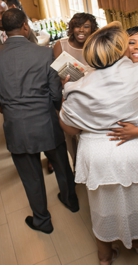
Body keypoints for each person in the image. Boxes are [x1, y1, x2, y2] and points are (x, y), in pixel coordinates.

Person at [58, 22, 138, 264]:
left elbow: (69, 128)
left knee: (103, 207)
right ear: (121, 49)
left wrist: (65, 92)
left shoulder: (77, 87)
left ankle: (105, 257)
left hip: (99, 154)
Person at [0, 8, 78, 235]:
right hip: (46, 119)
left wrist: (8, 108)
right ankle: (71, 200)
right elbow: (55, 93)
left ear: (3, 29)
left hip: (16, 125)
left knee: (31, 176)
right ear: (25, 26)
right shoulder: (45, 54)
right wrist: (53, 109)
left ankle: (43, 221)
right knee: (62, 165)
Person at [53, 12, 99, 165]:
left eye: (86, 26)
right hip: (69, 96)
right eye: (77, 26)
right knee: (72, 136)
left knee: (90, 136)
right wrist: (63, 83)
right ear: (71, 28)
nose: (81, 30)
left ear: (92, 28)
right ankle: (77, 166)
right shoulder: (61, 45)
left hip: (93, 98)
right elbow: (54, 75)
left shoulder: (97, 45)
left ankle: (92, 165)